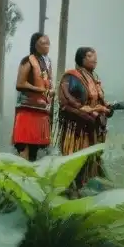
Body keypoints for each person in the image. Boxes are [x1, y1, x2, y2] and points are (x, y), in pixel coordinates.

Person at [56, 46, 113, 192]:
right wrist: (88, 112)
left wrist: (106, 108)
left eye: (95, 55)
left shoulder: (94, 78)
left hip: (92, 126)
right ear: (81, 58)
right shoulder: (71, 76)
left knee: (90, 159)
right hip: (76, 128)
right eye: (89, 56)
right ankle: (70, 189)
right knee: (75, 158)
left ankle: (83, 188)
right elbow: (65, 102)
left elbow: (99, 100)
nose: (94, 58)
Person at [10, 33, 52, 161]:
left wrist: (51, 91)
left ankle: (31, 178)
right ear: (35, 45)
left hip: (41, 111)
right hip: (27, 111)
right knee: (23, 148)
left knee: (35, 150)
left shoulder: (47, 62)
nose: (47, 46)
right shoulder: (27, 61)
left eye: (48, 43)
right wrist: (39, 89)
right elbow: (20, 83)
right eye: (43, 43)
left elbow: (47, 83)